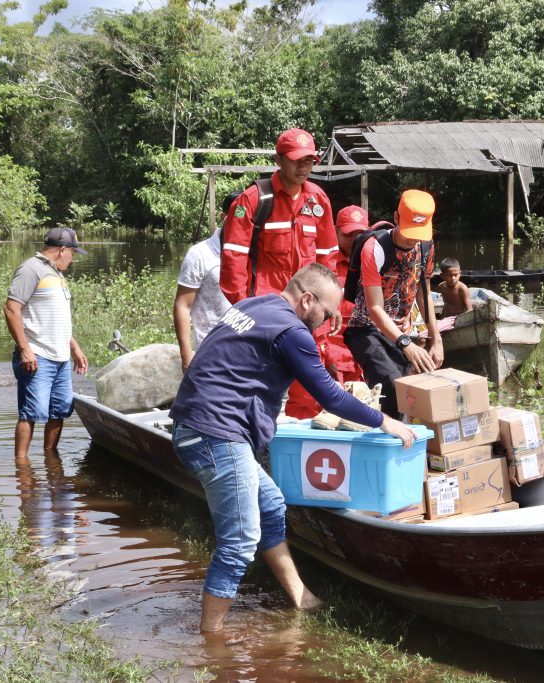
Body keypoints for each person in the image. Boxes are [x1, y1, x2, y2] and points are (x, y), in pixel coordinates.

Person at [169, 263, 416, 634]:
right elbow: (330, 396)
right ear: (306, 300)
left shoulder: (255, 306)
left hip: (196, 424)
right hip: (215, 433)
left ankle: (302, 596)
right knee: (239, 541)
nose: (329, 324)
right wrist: (385, 421)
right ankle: (211, 639)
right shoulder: (292, 330)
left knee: (270, 506)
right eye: (328, 315)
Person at [343, 190, 443, 417]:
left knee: (408, 392)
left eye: (418, 233)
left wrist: (436, 339)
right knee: (392, 384)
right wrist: (406, 344)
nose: (413, 238)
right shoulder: (375, 248)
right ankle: (387, 445)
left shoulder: (425, 247)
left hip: (402, 333)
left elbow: (424, 292)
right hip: (367, 330)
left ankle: (404, 442)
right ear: (396, 218)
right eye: (409, 231)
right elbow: (375, 308)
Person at [219, 128, 338, 304]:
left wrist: (331, 303)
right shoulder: (252, 200)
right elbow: (233, 259)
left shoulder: (318, 200)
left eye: (308, 161)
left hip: (307, 305)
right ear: (278, 160)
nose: (302, 167)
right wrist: (243, 305)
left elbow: (327, 256)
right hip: (266, 304)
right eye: (295, 160)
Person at [4, 228, 89, 460]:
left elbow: (56, 317)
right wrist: (25, 350)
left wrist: (74, 348)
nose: (73, 259)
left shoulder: (57, 274)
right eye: (73, 253)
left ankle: (51, 461)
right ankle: (21, 466)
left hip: (60, 357)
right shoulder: (30, 269)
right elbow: (11, 309)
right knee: (30, 413)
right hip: (38, 355)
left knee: (59, 410)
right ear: (62, 250)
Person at [284, 204, 372, 419]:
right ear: (335, 231)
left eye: (361, 234)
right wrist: (326, 354)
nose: (355, 240)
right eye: (349, 234)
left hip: (361, 351)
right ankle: (296, 447)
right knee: (308, 402)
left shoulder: (373, 262)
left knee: (359, 406)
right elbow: (308, 313)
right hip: (324, 347)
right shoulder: (321, 266)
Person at [173, 190, 240, 373]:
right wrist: (186, 356)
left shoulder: (257, 254)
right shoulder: (200, 254)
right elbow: (182, 305)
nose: (241, 224)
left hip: (246, 352)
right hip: (210, 352)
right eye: (236, 216)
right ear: (223, 217)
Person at [436, 256, 473, 328]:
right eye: (449, 275)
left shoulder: (462, 288)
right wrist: (442, 318)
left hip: (459, 320)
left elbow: (469, 309)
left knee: (423, 337)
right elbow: (446, 304)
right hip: (446, 319)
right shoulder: (441, 286)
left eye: (455, 275)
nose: (453, 278)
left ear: (460, 274)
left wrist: (463, 322)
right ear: (442, 276)